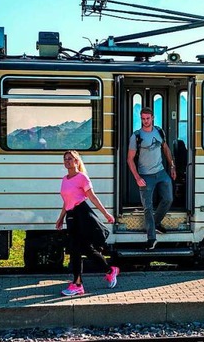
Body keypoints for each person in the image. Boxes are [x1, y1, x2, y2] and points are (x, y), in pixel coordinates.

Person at [55, 150, 119, 296]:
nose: (67, 162)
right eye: (65, 159)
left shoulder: (82, 178)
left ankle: (77, 284)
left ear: (77, 161)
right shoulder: (65, 179)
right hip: (71, 216)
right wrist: (60, 219)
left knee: (75, 249)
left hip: (82, 215)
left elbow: (93, 198)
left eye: (70, 159)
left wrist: (106, 214)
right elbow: (66, 202)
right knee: (86, 249)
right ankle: (110, 270)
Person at [127, 107, 176, 250]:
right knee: (147, 207)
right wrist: (137, 178)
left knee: (168, 199)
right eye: (143, 119)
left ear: (152, 118)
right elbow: (129, 159)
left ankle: (156, 222)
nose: (145, 121)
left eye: (147, 118)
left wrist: (172, 166)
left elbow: (166, 149)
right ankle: (151, 238)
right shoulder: (136, 136)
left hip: (161, 173)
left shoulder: (159, 131)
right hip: (145, 176)